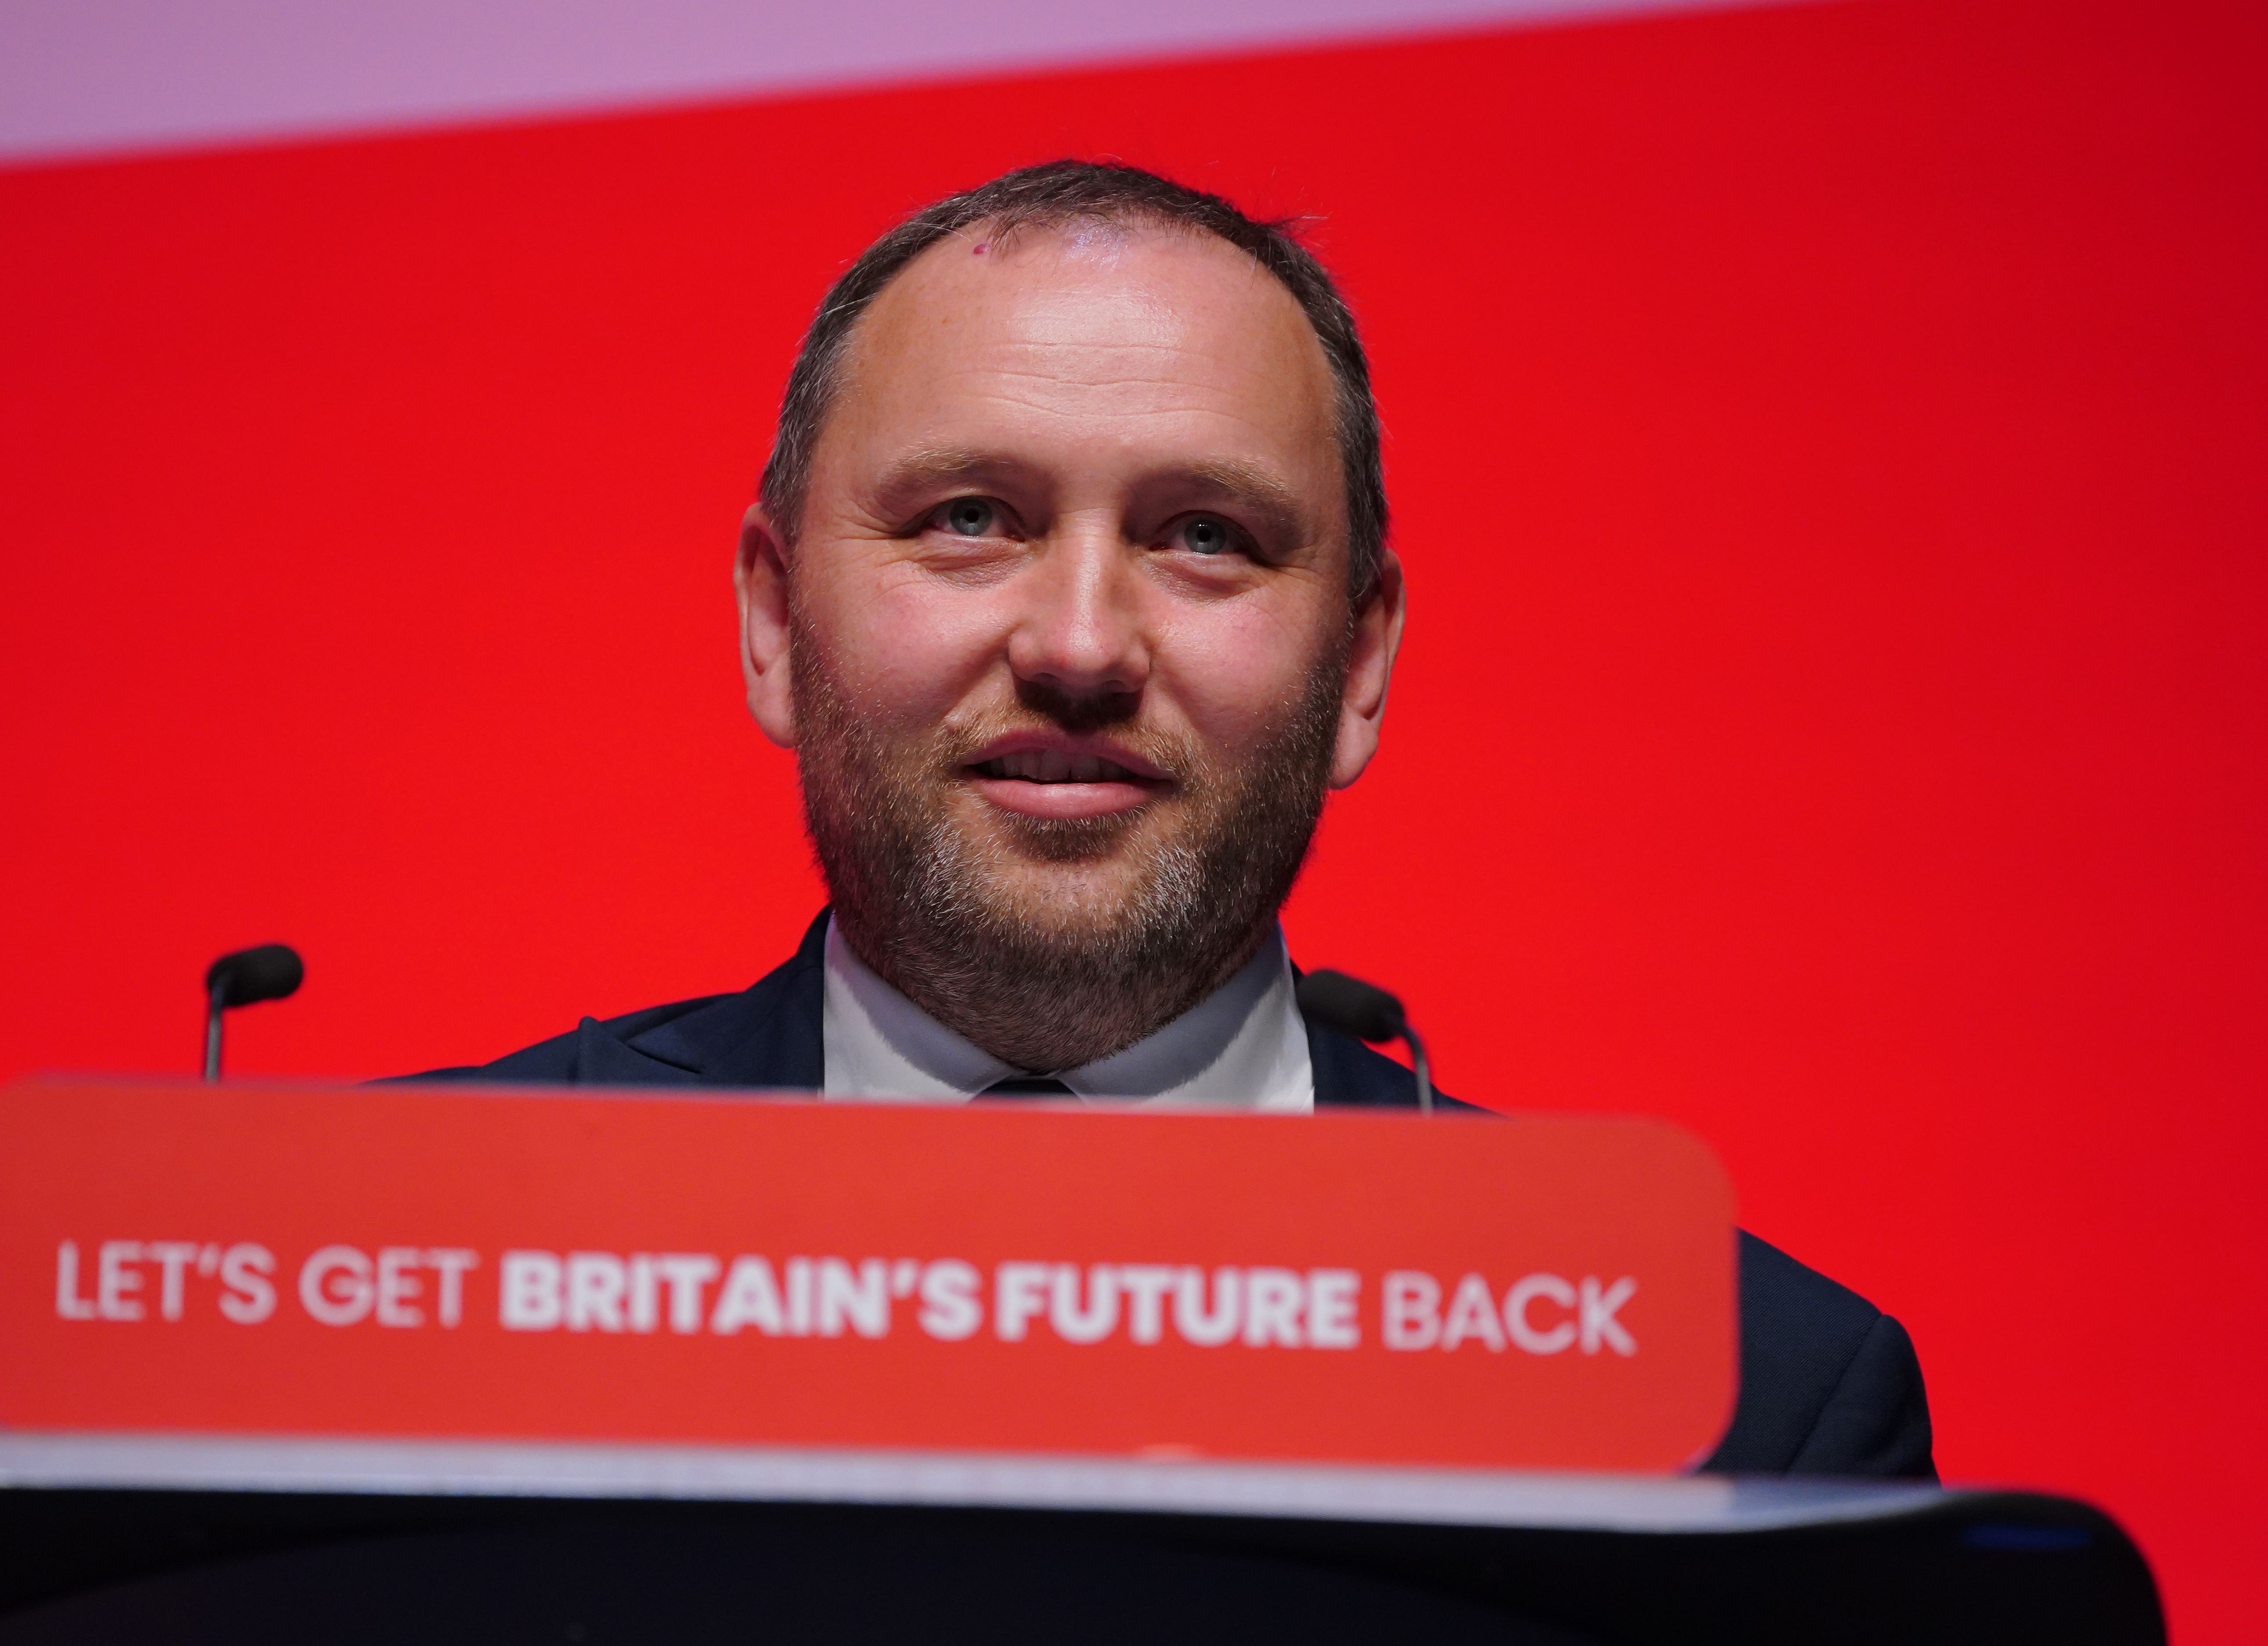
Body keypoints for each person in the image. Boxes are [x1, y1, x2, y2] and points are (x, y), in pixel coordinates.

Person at [410, 161, 1934, 1478]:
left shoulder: (1736, 1410)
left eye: (1205, 537)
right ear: (770, 620)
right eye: (969, 520)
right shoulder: (384, 1293)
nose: (1081, 644)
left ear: (1358, 660)